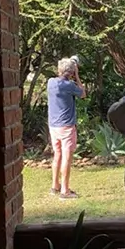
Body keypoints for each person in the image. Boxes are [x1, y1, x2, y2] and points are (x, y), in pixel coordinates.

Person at [46, 56, 87, 199]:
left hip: (53, 126)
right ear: (71, 72)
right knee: (67, 158)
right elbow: (83, 94)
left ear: (59, 70)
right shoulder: (69, 86)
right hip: (67, 127)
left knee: (57, 155)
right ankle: (65, 191)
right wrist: (77, 76)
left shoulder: (50, 82)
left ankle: (54, 186)